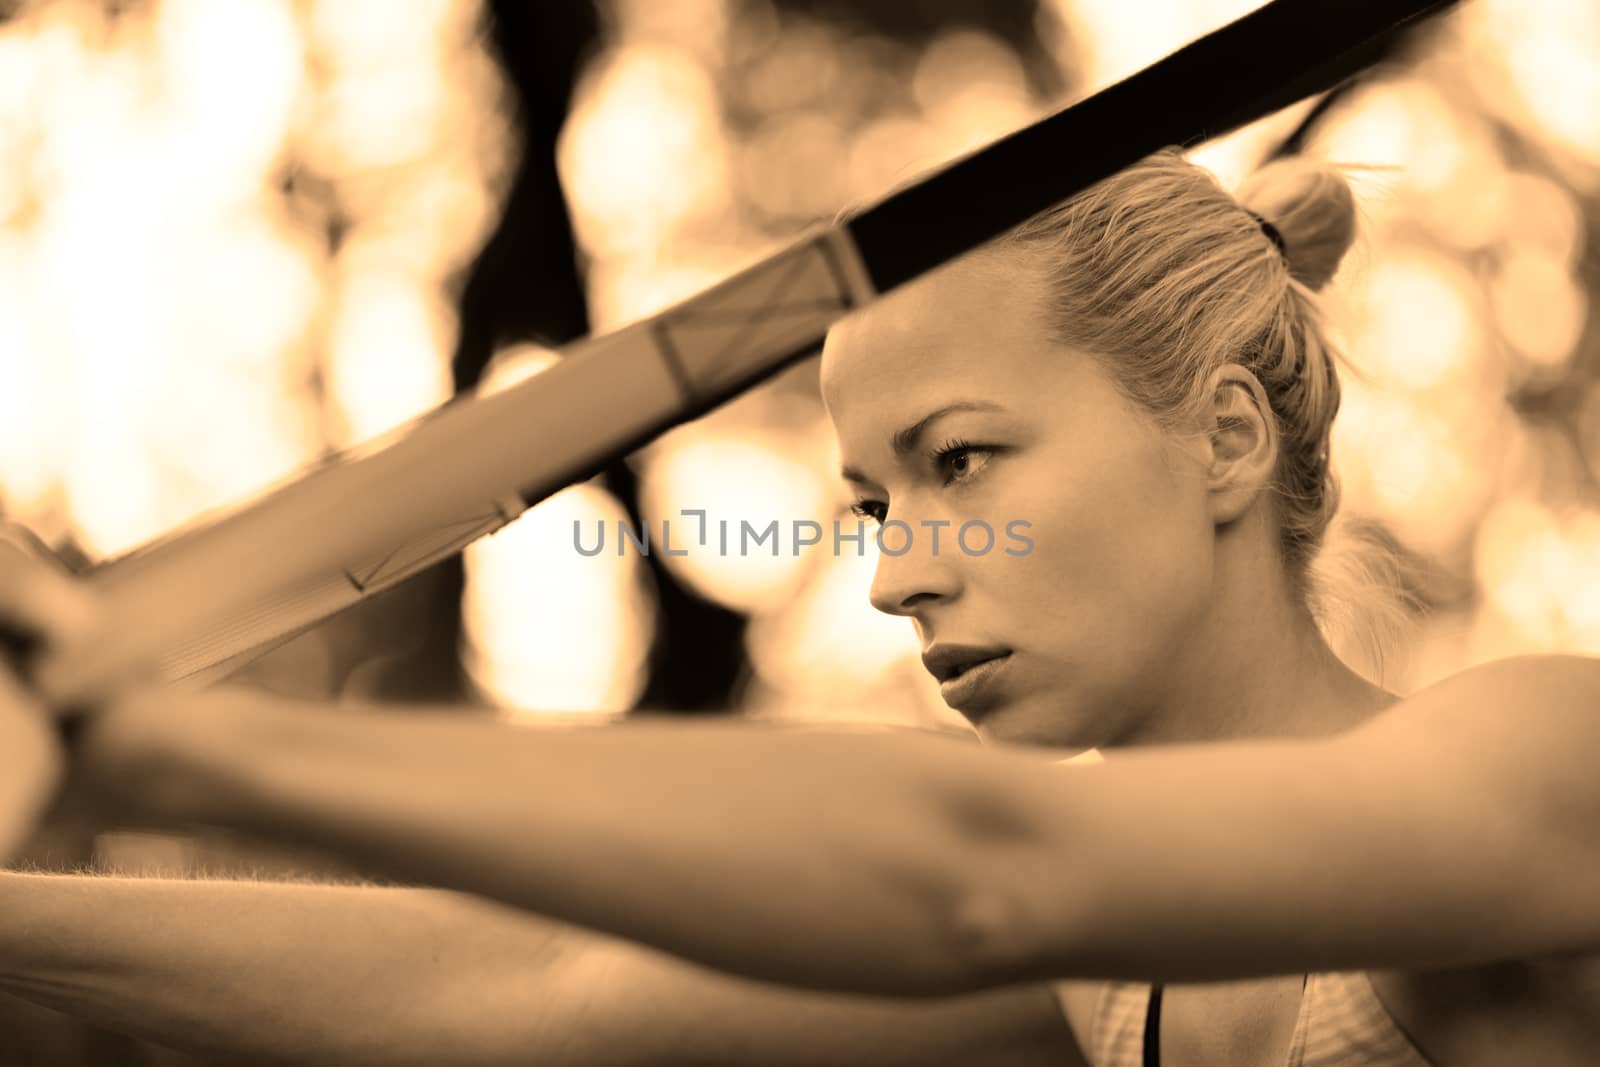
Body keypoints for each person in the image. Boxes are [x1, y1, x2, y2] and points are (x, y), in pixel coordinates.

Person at [3, 148, 1599, 1067]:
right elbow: (534, 989)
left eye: (962, 461)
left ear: (1227, 439)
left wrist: (149, 741)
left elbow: (985, 871)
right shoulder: (1114, 959)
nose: (897, 573)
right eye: (873, 505)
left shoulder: (1546, 758)